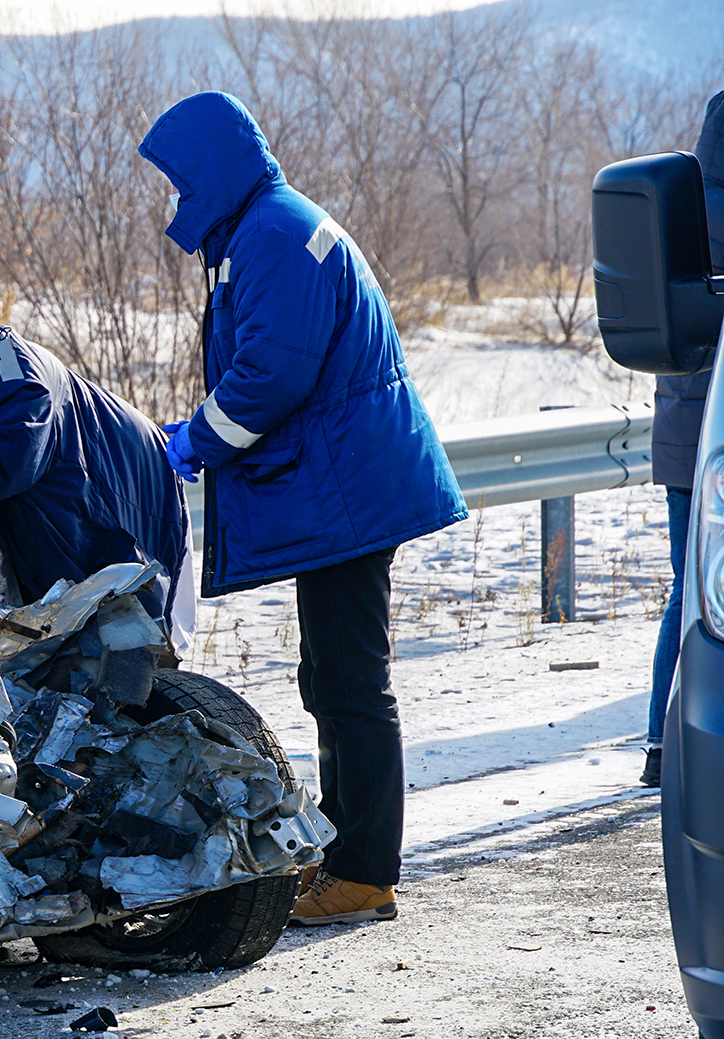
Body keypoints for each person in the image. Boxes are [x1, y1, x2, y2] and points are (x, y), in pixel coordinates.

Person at [139, 92, 466, 926]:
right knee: (331, 676)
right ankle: (349, 851)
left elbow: (271, 377)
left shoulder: (277, 237)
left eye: (182, 182)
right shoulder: (267, 227)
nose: (177, 201)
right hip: (347, 484)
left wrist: (195, 442)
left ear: (213, 171)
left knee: (350, 682)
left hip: (350, 492)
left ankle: (363, 871)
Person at [0, 309, 194, 645]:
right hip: (108, 455)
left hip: (130, 476)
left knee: (116, 581)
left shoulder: (22, 402)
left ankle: (144, 668)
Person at [643, 88, 724, 788]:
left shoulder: (678, 208)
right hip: (715, 428)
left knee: (686, 593)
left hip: (678, 435)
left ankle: (660, 747)